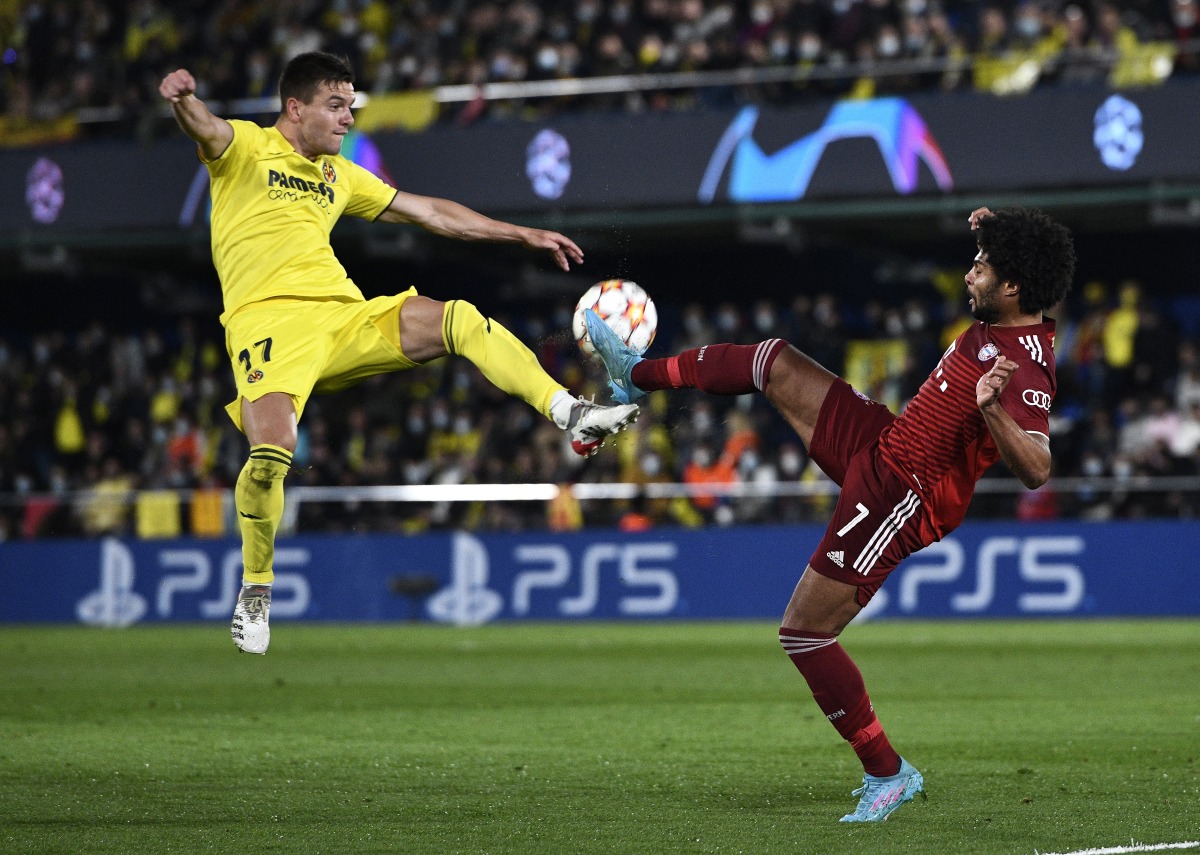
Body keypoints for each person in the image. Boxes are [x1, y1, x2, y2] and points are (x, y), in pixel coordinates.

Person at [585, 206, 1075, 822]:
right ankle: (635, 378)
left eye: (981, 266)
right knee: (773, 360)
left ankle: (889, 773)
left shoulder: (1026, 362)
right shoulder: (1005, 309)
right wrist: (997, 228)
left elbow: (1036, 468)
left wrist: (994, 410)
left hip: (903, 493)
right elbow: (1018, 259)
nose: (969, 274)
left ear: (1013, 288)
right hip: (885, 444)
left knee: (804, 633)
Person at [158, 52, 639, 655]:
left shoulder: (340, 176)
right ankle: (257, 589)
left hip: (341, 317)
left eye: (351, 107)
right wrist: (181, 99)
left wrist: (520, 233)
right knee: (270, 456)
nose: (347, 119)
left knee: (456, 318)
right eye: (336, 106)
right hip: (268, 326)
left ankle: (571, 413)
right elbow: (207, 127)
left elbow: (432, 212)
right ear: (295, 107)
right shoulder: (246, 150)